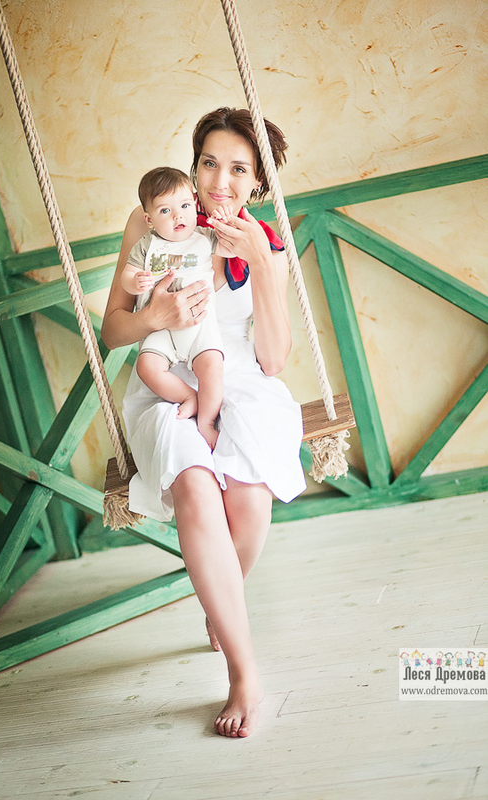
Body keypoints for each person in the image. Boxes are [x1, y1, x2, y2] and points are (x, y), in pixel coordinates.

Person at [102, 107, 306, 738]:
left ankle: (222, 606)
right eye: (210, 163)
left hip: (241, 379)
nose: (220, 182)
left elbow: (273, 359)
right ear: (193, 166)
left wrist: (263, 265)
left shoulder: (264, 239)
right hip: (165, 376)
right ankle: (244, 673)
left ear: (258, 182)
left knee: (248, 493)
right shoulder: (152, 218)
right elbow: (113, 329)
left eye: (239, 170)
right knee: (195, 482)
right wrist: (154, 316)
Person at [122, 166, 229, 450]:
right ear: (149, 219)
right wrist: (135, 281)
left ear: (194, 204)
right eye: (165, 211)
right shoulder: (147, 246)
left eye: (183, 206)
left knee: (212, 368)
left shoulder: (204, 237)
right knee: (147, 366)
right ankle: (187, 396)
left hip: (199, 324)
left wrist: (223, 224)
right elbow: (127, 276)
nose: (177, 216)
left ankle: (206, 422)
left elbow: (230, 249)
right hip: (161, 329)